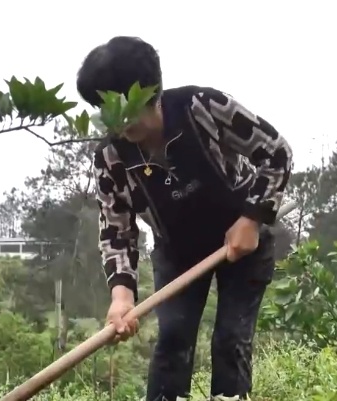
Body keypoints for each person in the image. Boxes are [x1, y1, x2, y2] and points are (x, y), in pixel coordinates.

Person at [77, 36, 294, 401]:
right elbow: (117, 228)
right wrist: (122, 296)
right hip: (177, 251)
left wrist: (252, 218)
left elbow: (276, 153)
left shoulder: (203, 107)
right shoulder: (111, 157)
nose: (118, 122)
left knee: (230, 339)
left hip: (243, 240)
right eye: (104, 109)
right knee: (173, 339)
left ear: (150, 92)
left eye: (124, 106)